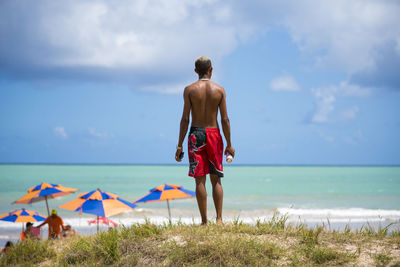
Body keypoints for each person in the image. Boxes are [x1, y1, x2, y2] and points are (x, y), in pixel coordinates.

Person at [175, 56, 235, 225]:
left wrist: (179, 145)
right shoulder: (219, 90)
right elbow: (225, 120)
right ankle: (219, 219)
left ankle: (204, 221)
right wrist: (229, 145)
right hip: (214, 134)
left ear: (195, 71)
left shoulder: (189, 90)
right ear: (211, 69)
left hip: (196, 134)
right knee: (216, 178)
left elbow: (185, 119)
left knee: (199, 179)